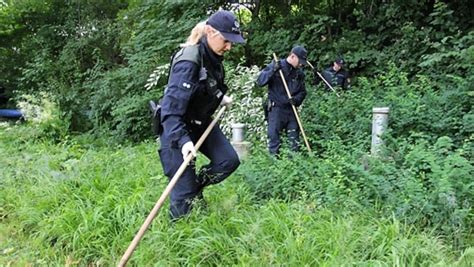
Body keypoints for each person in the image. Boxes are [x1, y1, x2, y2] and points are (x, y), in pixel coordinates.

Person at [157, 10, 244, 220]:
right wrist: (184, 141)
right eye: (226, 40)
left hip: (200, 124)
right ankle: (177, 240)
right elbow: (169, 112)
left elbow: (203, 88)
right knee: (183, 198)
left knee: (228, 161)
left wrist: (219, 98)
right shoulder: (188, 61)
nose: (229, 47)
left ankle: (195, 185)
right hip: (176, 130)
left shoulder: (213, 57)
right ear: (210, 32)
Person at [257, 46, 308, 155]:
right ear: (293, 56)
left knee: (294, 143)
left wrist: (296, 100)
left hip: (291, 109)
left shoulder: (299, 74)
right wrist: (273, 70)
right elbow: (260, 81)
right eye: (300, 61)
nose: (301, 64)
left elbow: (303, 92)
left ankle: (294, 166)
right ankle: (274, 168)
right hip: (276, 110)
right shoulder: (276, 66)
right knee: (274, 142)